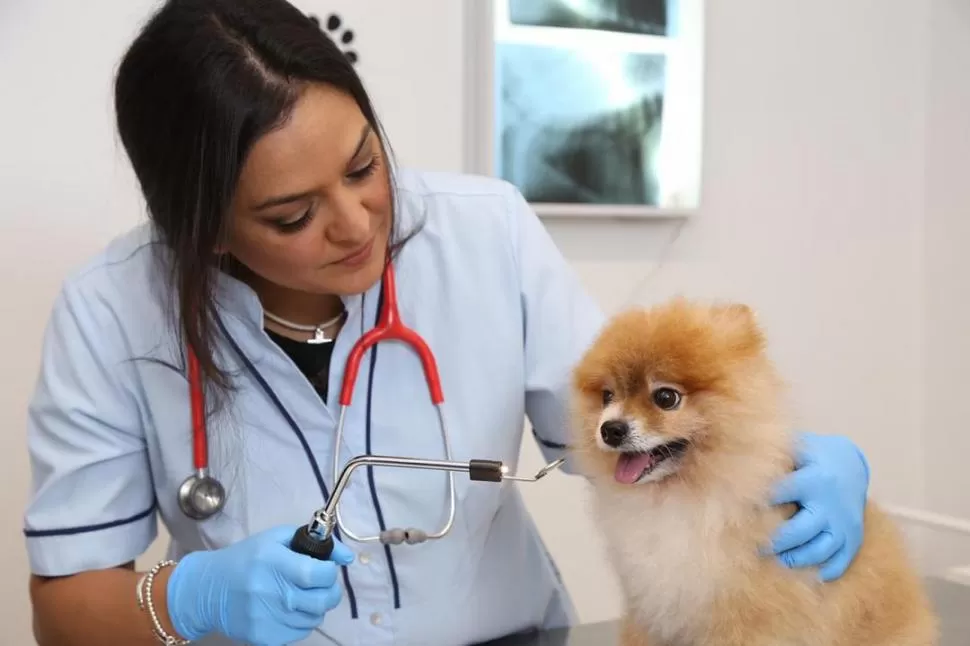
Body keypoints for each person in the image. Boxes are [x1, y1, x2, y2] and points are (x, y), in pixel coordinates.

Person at [21, 1, 872, 645]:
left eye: (364, 166)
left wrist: (789, 462)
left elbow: (618, 437)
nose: (357, 224)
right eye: (291, 216)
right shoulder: (111, 313)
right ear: (200, 223)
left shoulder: (486, 230)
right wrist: (188, 596)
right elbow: (64, 605)